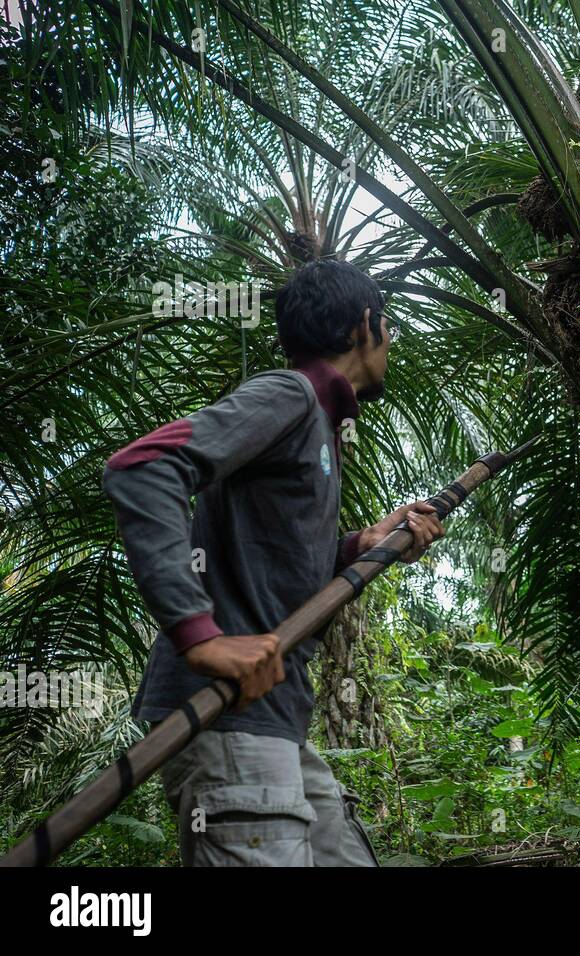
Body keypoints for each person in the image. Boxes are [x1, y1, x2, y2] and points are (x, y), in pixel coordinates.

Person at [102, 259, 443, 866]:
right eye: (387, 324)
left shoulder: (318, 424)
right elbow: (142, 466)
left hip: (272, 721)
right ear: (365, 325)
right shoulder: (290, 395)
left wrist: (357, 547)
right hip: (229, 717)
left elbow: (268, 558)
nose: (390, 340)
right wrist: (199, 638)